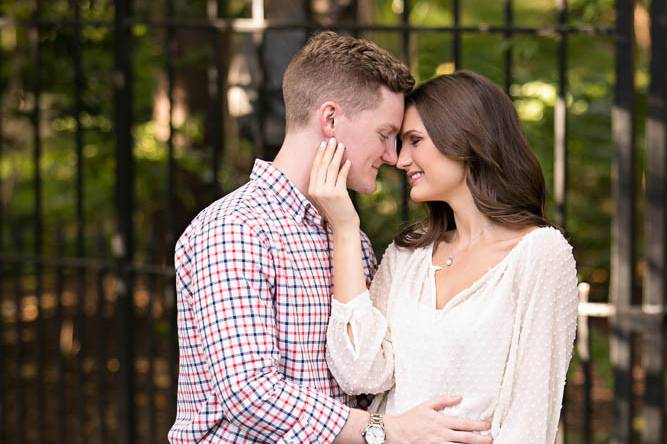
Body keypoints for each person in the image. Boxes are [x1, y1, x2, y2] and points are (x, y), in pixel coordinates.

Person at [168, 32, 492, 444]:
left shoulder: (347, 237)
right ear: (331, 119)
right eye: (384, 133)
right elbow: (249, 393)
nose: (393, 156)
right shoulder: (236, 229)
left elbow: (367, 377)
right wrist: (388, 431)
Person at [310, 71, 579, 443]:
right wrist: (343, 227)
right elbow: (361, 372)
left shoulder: (540, 254)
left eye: (414, 141)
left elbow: (531, 418)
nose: (401, 159)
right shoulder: (408, 254)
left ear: (466, 137)